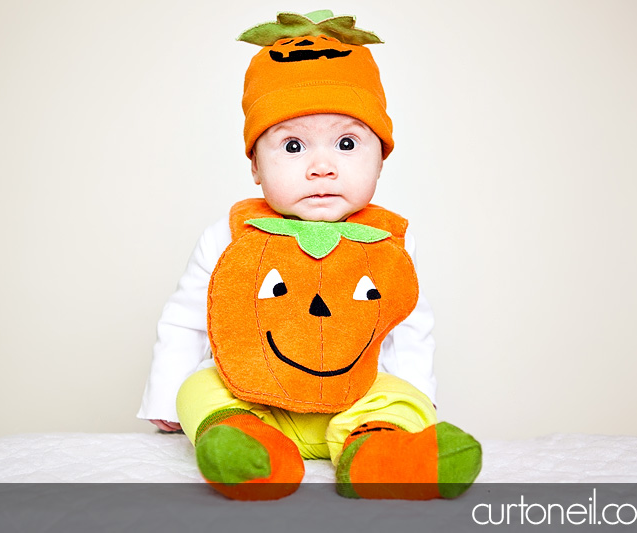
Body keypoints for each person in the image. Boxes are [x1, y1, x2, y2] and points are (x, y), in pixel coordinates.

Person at [136, 10, 480, 500]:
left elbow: (408, 329)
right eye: (293, 146)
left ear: (381, 157)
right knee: (199, 388)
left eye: (345, 143)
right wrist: (166, 397)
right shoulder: (232, 234)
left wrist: (414, 400)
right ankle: (249, 449)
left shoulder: (390, 241)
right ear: (255, 166)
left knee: (403, 397)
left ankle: (381, 450)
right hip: (255, 397)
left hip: (355, 396)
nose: (321, 167)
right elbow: (188, 318)